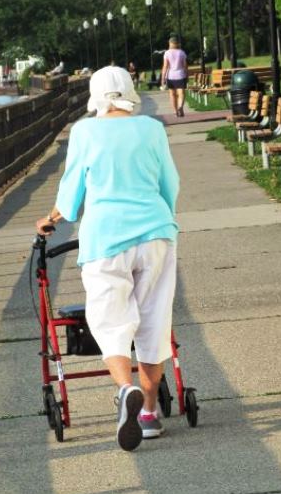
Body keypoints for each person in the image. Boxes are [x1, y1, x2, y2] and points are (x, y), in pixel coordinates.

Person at [36, 66, 179, 452]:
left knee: (110, 320)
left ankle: (126, 388)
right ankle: (148, 414)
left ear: (95, 96)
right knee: (153, 321)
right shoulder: (151, 128)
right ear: (130, 92)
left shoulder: (85, 131)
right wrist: (163, 218)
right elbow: (170, 183)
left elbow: (71, 192)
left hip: (105, 238)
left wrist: (51, 219)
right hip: (155, 233)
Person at [161, 36, 188, 118]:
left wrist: (163, 78)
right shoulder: (182, 52)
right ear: (177, 44)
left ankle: (175, 112)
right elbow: (185, 66)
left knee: (172, 94)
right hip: (180, 75)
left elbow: (165, 66)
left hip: (170, 76)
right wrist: (186, 74)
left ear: (170, 43)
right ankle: (180, 107)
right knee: (181, 93)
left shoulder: (167, 53)